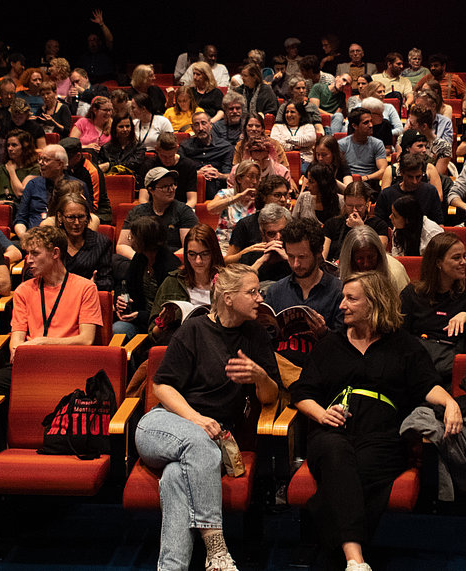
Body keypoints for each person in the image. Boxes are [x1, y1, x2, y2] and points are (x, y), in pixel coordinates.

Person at [288, 271, 464, 571]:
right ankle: (356, 560)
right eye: (343, 298)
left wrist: (450, 403)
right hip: (331, 428)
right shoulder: (330, 345)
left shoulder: (404, 345)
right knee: (335, 452)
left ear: (375, 303)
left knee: (350, 474)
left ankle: (338, 549)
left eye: (351, 299)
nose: (342, 305)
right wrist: (320, 413)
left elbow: (426, 384)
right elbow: (302, 392)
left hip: (383, 433)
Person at [135, 263, 281, 571]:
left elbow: (270, 397)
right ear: (228, 298)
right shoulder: (194, 329)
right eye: (251, 292)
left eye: (259, 291)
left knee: (177, 476)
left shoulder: (255, 335)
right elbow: (161, 386)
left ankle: (171, 567)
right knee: (199, 445)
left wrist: (259, 377)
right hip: (162, 425)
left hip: (210, 437)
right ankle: (217, 551)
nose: (260, 298)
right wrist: (196, 419)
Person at [0, 224, 104, 399]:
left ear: (55, 253)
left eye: (34, 253)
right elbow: (17, 336)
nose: (28, 260)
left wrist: (42, 343)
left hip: (69, 363)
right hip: (31, 362)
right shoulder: (23, 290)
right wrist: (17, 349)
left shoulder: (85, 288)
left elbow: (86, 340)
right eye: (27, 254)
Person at [400, 232, 466, 380]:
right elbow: (397, 340)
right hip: (419, 373)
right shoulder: (412, 294)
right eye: (456, 258)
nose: (464, 262)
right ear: (438, 263)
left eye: (464, 256)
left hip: (456, 375)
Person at [263, 217, 344, 355]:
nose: (295, 264)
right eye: (290, 256)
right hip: (283, 367)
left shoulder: (339, 291)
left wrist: (324, 333)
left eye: (302, 257)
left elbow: (344, 348)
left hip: (322, 366)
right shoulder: (275, 291)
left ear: (318, 252)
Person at [152, 224, 226, 322]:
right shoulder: (172, 282)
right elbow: (153, 333)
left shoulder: (227, 283)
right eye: (192, 254)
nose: (198, 261)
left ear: (214, 253)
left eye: (204, 254)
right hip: (180, 335)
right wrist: (163, 323)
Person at [336, 225, 410, 295]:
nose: (366, 264)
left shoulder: (395, 273)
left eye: (371, 257)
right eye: (360, 259)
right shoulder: (345, 268)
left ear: (379, 254)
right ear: (351, 258)